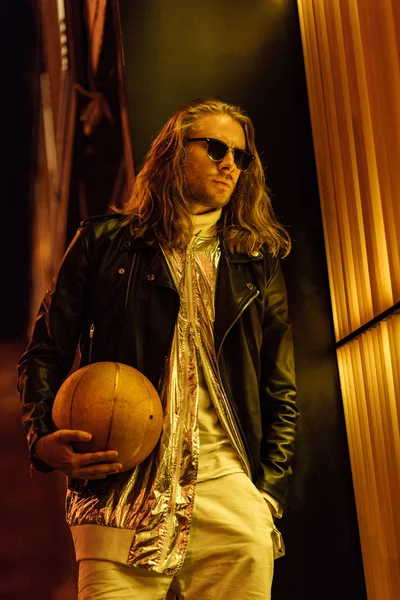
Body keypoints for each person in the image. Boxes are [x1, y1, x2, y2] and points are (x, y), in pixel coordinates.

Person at [18, 98, 298, 600]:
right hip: (118, 491)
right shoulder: (103, 243)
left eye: (242, 155)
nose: (230, 163)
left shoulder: (255, 261)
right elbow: (45, 352)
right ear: (173, 152)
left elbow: (280, 386)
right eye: (215, 147)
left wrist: (268, 494)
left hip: (230, 495)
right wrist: (41, 439)